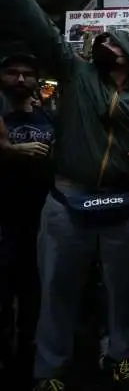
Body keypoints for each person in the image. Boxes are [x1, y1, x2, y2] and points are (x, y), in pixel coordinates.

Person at [1, 0, 129, 391]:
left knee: (124, 295)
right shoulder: (77, 74)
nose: (104, 43)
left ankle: (121, 355)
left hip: (125, 208)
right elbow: (37, 23)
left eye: (115, 41)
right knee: (56, 293)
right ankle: (50, 370)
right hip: (67, 202)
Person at [0, 54, 55, 386]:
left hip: (40, 221)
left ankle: (27, 363)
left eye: (27, 74)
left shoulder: (49, 117)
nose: (20, 80)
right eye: (12, 73)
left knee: (35, 294)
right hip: (3, 221)